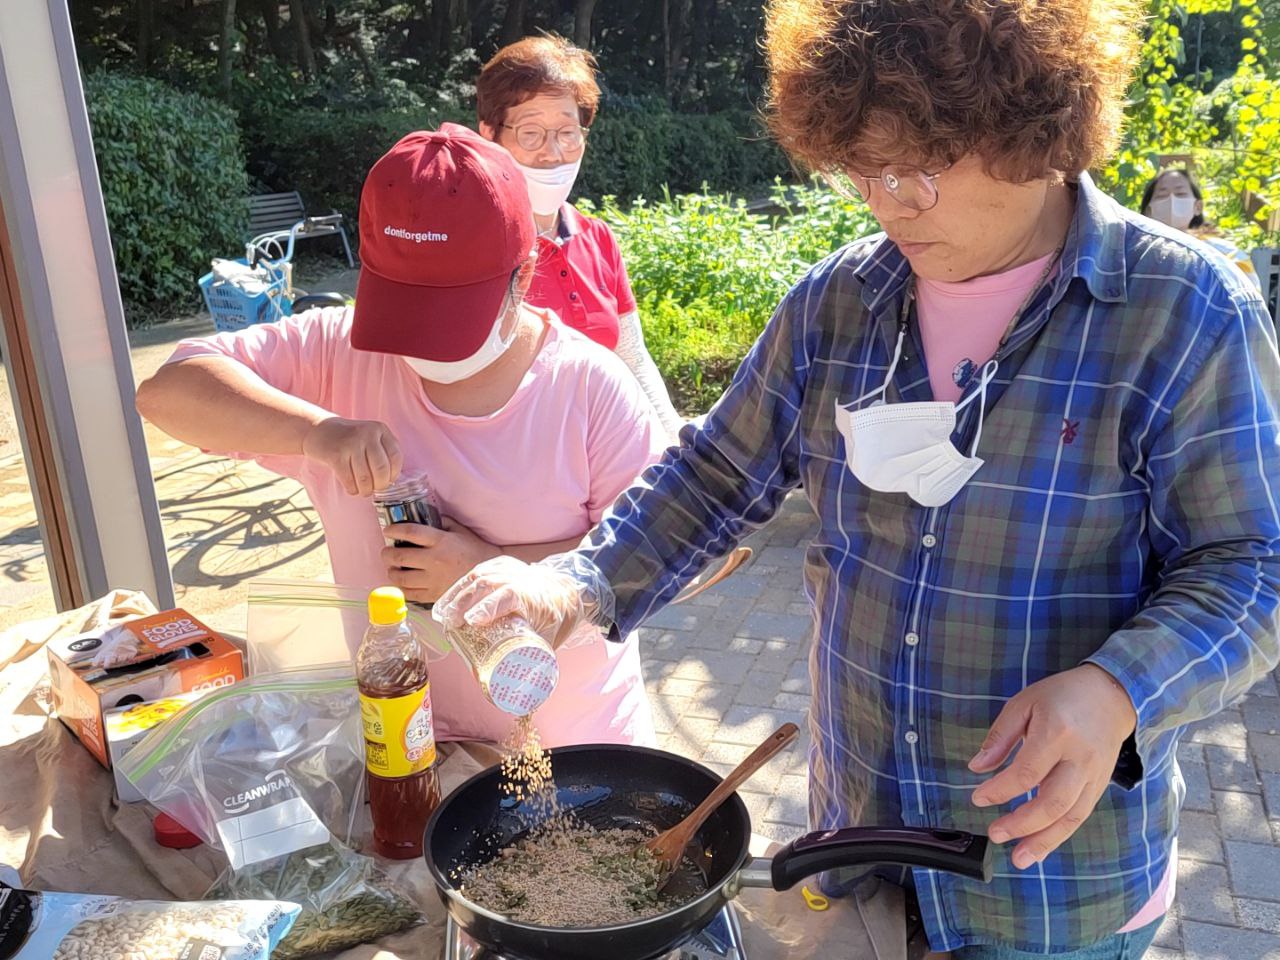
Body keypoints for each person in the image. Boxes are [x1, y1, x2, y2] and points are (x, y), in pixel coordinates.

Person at [436, 1, 1280, 957]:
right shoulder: (839, 301)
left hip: (1051, 878)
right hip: (856, 837)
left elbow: (1251, 565)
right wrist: (576, 582)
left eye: (920, 169)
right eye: (862, 172)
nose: (889, 204)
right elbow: (715, 472)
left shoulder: (1181, 308)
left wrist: (1117, 690)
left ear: (1040, 132)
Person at [135, 124, 665, 748]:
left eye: (447, 320)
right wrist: (317, 432)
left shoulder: (588, 388)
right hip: (402, 734)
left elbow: (659, 560)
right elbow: (167, 391)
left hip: (569, 745)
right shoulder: (338, 348)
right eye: (405, 312)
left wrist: (493, 572)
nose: (418, 350)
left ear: (523, 276)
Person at [475, 35, 685, 440]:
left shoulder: (597, 238)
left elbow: (633, 358)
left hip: (613, 464)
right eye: (532, 132)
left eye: (568, 132)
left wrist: (674, 447)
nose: (553, 153)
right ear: (489, 133)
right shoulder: (470, 245)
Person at [1140, 167, 1264, 290]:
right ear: (1148, 210)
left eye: (1180, 194)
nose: (1171, 200)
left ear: (1198, 207)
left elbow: (1248, 295)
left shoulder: (1224, 252)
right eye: (1162, 195)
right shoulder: (1135, 252)